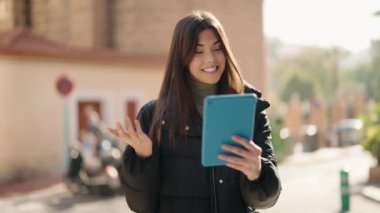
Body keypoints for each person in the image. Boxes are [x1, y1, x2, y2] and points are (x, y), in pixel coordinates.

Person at [109, 10, 281, 213]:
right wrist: (144, 157)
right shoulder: (153, 117)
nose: (210, 59)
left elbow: (267, 199)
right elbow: (141, 206)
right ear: (182, 57)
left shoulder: (250, 110)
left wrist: (257, 171)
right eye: (198, 51)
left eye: (217, 48)